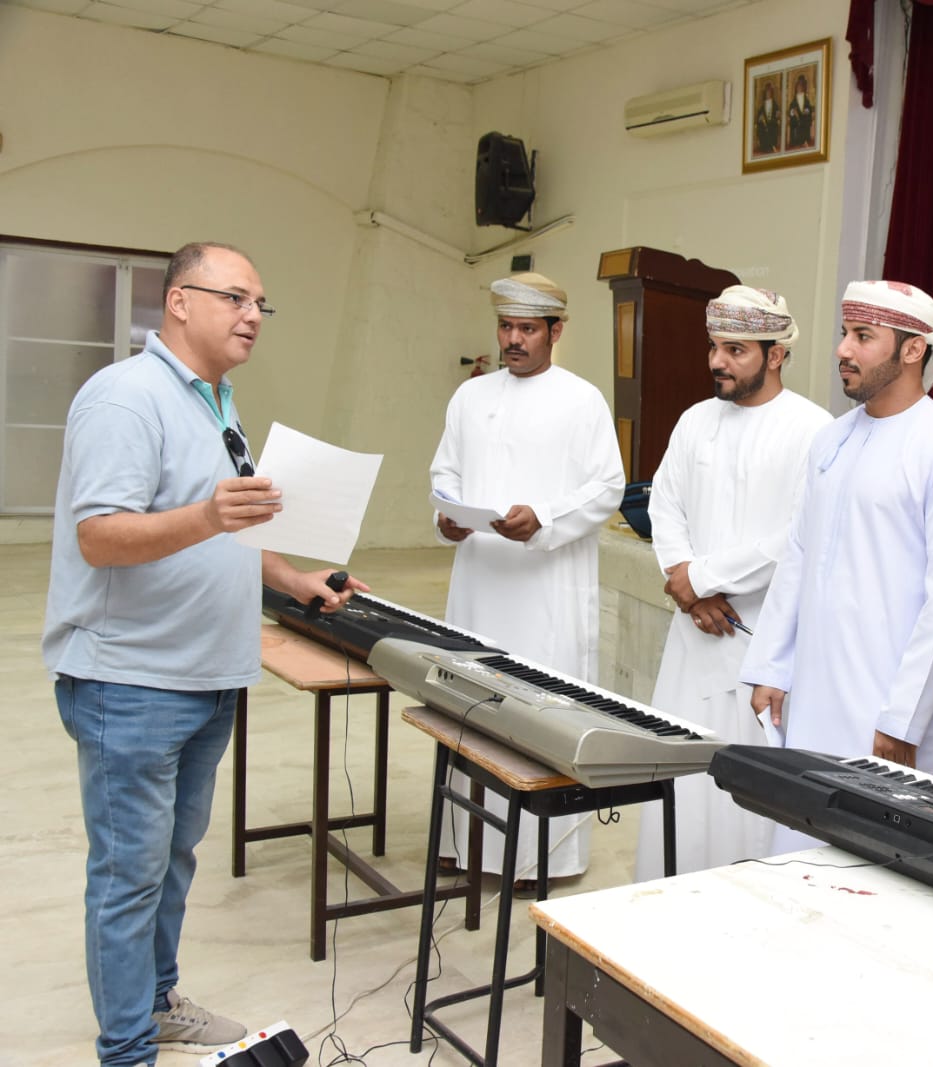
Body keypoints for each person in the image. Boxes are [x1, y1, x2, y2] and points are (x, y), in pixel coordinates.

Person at [43, 241, 366, 1066]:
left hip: (206, 676)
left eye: (261, 303)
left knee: (172, 861)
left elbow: (231, 533)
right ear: (179, 302)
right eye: (235, 298)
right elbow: (101, 536)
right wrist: (208, 515)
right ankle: (127, 1051)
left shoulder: (217, 402)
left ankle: (155, 1003)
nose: (253, 315)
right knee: (129, 875)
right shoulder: (126, 398)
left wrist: (295, 581)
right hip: (131, 681)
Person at [742, 280, 933, 855]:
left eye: (863, 336)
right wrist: (771, 666)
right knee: (800, 840)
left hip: (885, 703)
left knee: (871, 860)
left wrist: (904, 720)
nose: (842, 349)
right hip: (814, 687)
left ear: (913, 350)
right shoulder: (830, 440)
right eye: (844, 333)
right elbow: (799, 554)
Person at [430, 271, 625, 889]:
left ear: (556, 331)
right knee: (471, 701)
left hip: (547, 588)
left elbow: (607, 487)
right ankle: (463, 841)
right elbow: (445, 473)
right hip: (479, 581)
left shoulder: (582, 400)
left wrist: (544, 517)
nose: (513, 340)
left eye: (527, 329)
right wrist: (447, 516)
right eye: (506, 327)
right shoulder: (470, 397)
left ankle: (538, 857)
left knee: (537, 709)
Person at [633, 286, 831, 880]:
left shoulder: (813, 430)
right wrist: (685, 580)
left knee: (748, 793)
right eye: (715, 347)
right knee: (683, 784)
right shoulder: (696, 420)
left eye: (736, 350)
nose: (717, 361)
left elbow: (796, 538)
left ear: (777, 354)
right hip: (692, 637)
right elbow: (665, 506)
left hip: (761, 640)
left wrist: (700, 578)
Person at [786, 73, 816, 151]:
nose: (799, 88)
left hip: (804, 119)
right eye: (798, 86)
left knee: (804, 122)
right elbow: (791, 109)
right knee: (795, 124)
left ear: (803, 87)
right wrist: (793, 112)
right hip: (795, 120)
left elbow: (808, 108)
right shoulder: (794, 100)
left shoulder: (806, 99)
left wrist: (806, 111)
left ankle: (804, 141)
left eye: (801, 86)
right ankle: (796, 142)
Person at [754, 82, 782, 155]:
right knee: (762, 128)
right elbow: (760, 114)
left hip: (772, 122)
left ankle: (772, 146)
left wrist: (778, 115)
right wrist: (760, 117)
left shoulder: (774, 104)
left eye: (769, 93)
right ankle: (764, 147)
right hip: (764, 123)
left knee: (772, 128)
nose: (768, 94)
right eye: (767, 93)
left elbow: (777, 112)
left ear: (771, 93)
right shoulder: (763, 104)